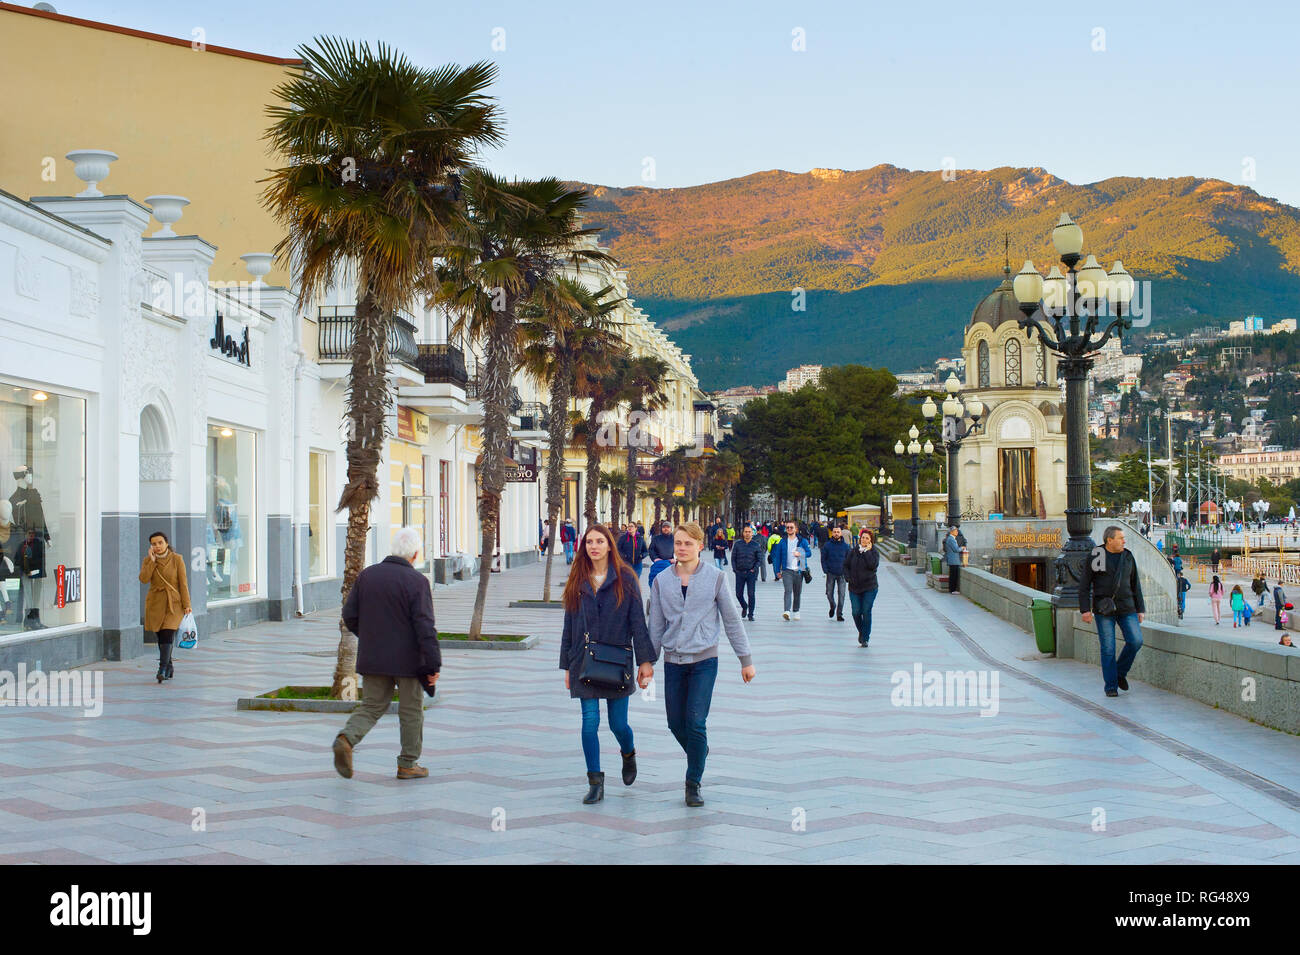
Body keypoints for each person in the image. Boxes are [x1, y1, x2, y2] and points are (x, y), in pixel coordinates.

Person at [647, 522, 755, 807]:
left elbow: (732, 620)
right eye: (678, 543)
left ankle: (693, 782)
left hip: (704, 660)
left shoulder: (716, 577)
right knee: (675, 723)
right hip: (673, 661)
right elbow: (655, 625)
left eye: (687, 544)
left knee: (695, 720)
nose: (681, 548)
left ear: (700, 546)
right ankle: (699, 751)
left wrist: (746, 660)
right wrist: (647, 662)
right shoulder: (661, 580)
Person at [333, 527, 441, 780]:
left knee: (372, 706)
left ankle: (346, 739)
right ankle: (407, 763)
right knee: (411, 710)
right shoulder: (417, 582)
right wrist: (433, 664)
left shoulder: (367, 576)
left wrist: (371, 638)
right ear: (415, 554)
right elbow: (425, 626)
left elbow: (350, 616)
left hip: (374, 657)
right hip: (409, 661)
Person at [559, 523, 655, 805]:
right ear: (584, 546)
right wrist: (567, 666)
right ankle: (595, 782)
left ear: (610, 545)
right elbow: (569, 624)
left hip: (616, 660)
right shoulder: (577, 578)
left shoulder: (625, 578)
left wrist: (645, 662)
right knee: (589, 722)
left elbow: (637, 621)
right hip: (583, 660)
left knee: (618, 724)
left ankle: (628, 753)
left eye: (600, 541)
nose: (594, 546)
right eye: (589, 542)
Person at [1079, 525, 1145, 699]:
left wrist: (1141, 609)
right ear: (1109, 540)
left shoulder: (1127, 556)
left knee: (1136, 641)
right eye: (1120, 538)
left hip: (1127, 606)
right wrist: (1085, 609)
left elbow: (1135, 584)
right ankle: (1111, 686)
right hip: (1104, 608)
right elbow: (1085, 584)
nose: (1124, 541)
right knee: (1108, 648)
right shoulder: (1097, 555)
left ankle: (1119, 672)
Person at [139, 531, 192, 684]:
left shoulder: (177, 559)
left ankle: (162, 668)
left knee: (168, 634)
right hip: (155, 603)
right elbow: (143, 579)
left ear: (166, 543)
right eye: (154, 544)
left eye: (160, 543)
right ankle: (169, 666)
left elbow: (183, 583)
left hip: (173, 604)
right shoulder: (148, 560)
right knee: (160, 637)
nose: (157, 546)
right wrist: (151, 561)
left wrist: (187, 604)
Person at [844, 527, 880, 647]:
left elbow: (872, 566)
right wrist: (848, 578)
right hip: (854, 587)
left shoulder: (874, 552)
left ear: (871, 541)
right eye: (863, 538)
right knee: (855, 612)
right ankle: (861, 631)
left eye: (867, 538)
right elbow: (846, 566)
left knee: (866, 611)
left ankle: (865, 638)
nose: (864, 540)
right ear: (860, 539)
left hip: (869, 587)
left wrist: (867, 552)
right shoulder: (853, 551)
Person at [772, 519, 812, 620]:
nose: (789, 529)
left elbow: (809, 553)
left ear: (796, 529)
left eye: (791, 527)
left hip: (799, 570)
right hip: (787, 570)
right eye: (787, 527)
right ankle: (787, 611)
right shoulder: (782, 541)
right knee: (788, 591)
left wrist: (801, 553)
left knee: (797, 592)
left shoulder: (802, 541)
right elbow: (777, 557)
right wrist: (777, 571)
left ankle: (796, 610)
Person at [730, 524, 764, 621]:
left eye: (749, 532)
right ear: (743, 532)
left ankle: (751, 614)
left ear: (752, 533)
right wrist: (735, 569)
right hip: (739, 572)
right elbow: (733, 558)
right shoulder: (737, 544)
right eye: (746, 531)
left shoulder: (756, 545)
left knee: (751, 594)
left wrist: (754, 568)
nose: (747, 533)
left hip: (751, 573)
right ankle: (744, 606)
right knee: (738, 594)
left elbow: (759, 559)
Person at [820, 525, 850, 621]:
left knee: (841, 595)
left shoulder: (846, 546)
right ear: (832, 533)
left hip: (842, 574)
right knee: (829, 593)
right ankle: (832, 605)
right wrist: (825, 570)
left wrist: (848, 572)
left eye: (838, 532)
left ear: (841, 533)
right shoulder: (827, 545)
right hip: (831, 573)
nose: (836, 533)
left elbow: (849, 560)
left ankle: (839, 614)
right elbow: (823, 559)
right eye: (835, 532)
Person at [943, 525, 963, 594]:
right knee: (953, 576)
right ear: (951, 532)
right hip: (953, 560)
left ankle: (952, 589)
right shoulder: (951, 539)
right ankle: (953, 590)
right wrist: (962, 548)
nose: (957, 532)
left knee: (953, 575)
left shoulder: (950, 538)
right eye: (955, 531)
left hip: (952, 560)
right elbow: (956, 549)